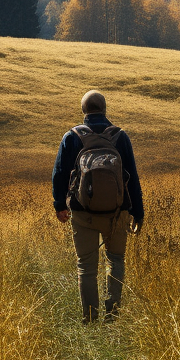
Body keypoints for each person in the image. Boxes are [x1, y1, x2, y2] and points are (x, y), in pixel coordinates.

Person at [52, 89, 144, 324]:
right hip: (118, 211)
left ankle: (90, 319)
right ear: (104, 109)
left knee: (86, 266)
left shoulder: (72, 136)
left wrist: (59, 205)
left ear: (84, 111)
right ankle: (112, 317)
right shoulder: (120, 136)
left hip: (82, 213)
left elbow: (60, 174)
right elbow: (131, 175)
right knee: (115, 260)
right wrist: (137, 212)